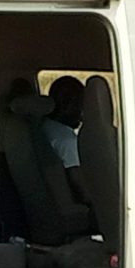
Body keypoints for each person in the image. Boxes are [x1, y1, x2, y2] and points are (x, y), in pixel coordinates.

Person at [41, 76, 90, 204]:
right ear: (69, 105)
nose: (83, 112)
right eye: (81, 105)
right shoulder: (66, 141)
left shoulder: (45, 127)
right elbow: (80, 185)